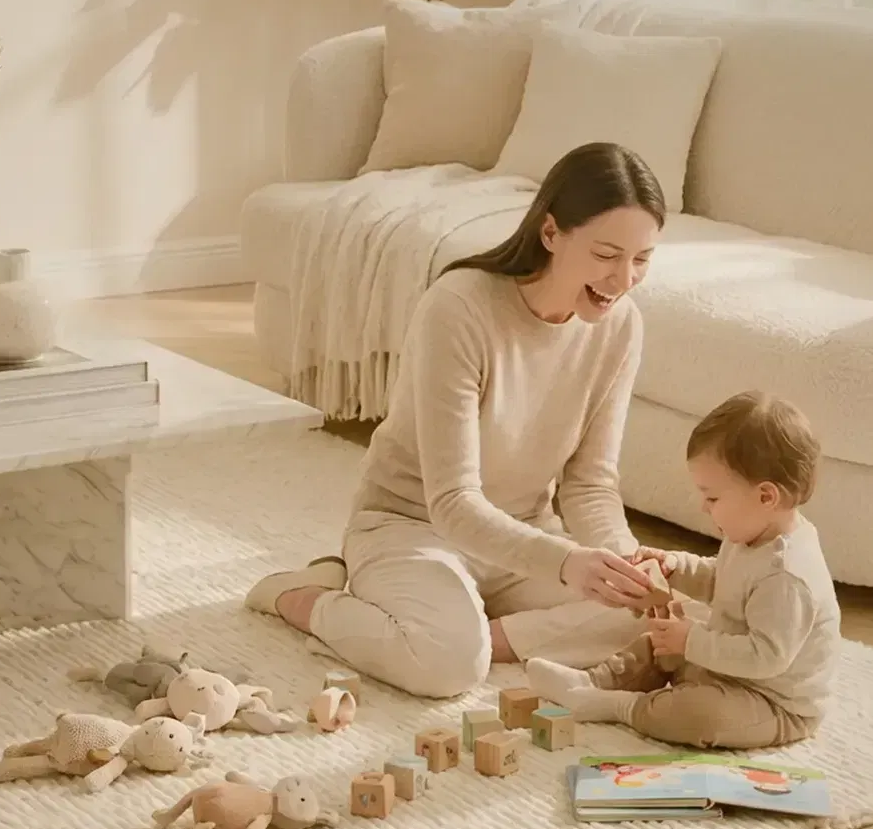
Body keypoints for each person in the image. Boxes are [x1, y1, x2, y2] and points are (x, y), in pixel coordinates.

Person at [245, 142, 668, 698]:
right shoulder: (460, 307)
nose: (624, 279)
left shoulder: (620, 326)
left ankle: (474, 637)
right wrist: (567, 563)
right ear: (550, 234)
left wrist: (623, 562)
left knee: (661, 616)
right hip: (414, 526)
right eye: (607, 255)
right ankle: (304, 597)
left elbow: (590, 482)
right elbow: (452, 502)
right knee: (448, 669)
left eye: (642, 259)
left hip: (524, 536)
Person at [527, 391, 842, 749]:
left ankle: (618, 706)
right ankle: (592, 683)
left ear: (766, 496)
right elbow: (721, 580)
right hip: (725, 668)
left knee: (700, 715)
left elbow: (765, 658)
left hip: (771, 702)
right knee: (656, 644)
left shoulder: (788, 576)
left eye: (712, 498)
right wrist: (675, 567)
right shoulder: (750, 536)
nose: (703, 508)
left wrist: (691, 640)